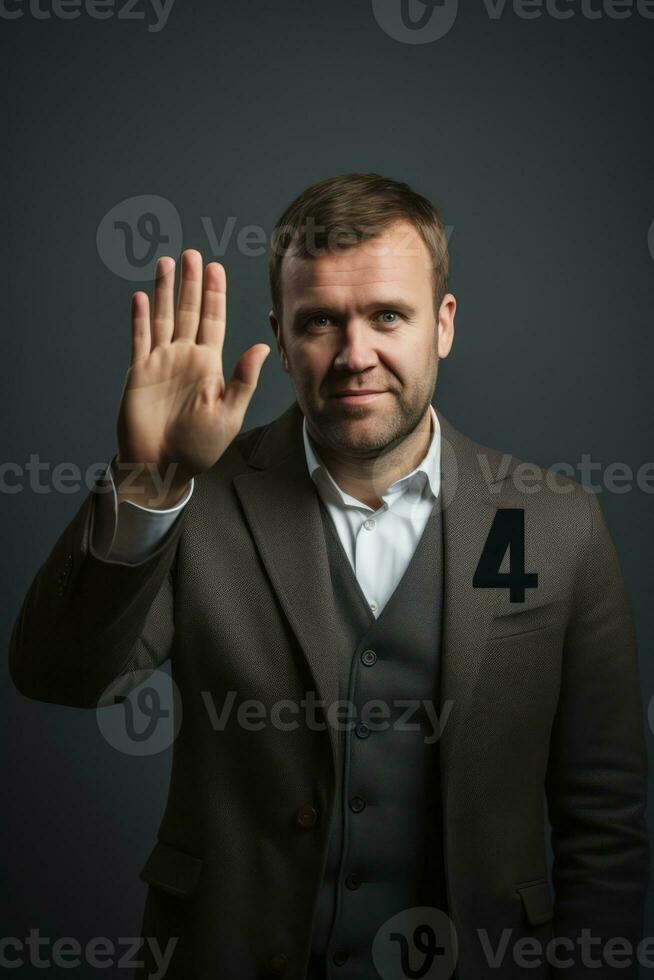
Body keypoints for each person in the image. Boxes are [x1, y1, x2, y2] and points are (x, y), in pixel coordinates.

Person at [9, 173, 649, 979]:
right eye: (320, 322)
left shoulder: (556, 524)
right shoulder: (195, 502)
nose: (356, 355)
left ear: (442, 325)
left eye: (388, 315)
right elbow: (59, 675)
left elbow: (605, 821)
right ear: (280, 337)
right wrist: (148, 481)